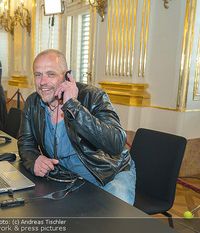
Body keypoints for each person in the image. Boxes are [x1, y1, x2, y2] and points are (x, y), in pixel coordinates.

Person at [17, 49, 136, 205]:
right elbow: (25, 143)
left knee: (115, 216)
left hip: (108, 174)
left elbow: (116, 143)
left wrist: (74, 106)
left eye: (50, 74)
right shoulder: (33, 103)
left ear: (67, 76)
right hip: (67, 178)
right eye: (38, 75)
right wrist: (34, 160)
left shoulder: (93, 96)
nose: (42, 82)